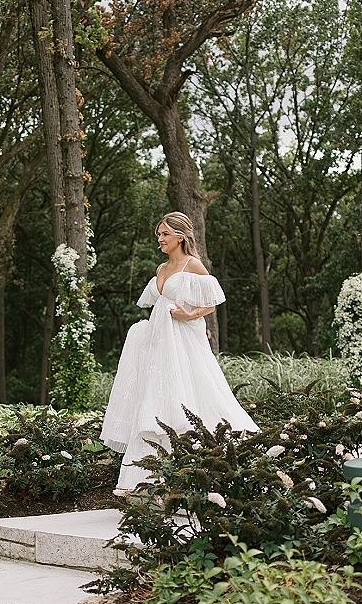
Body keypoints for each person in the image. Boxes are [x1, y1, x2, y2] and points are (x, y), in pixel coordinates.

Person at [100, 212, 259, 496]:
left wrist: (190, 314)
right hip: (158, 344)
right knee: (154, 400)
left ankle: (200, 467)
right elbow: (157, 305)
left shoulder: (193, 265)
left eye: (164, 234)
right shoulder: (161, 269)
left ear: (180, 236)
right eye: (158, 234)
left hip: (182, 342)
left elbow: (211, 303)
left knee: (189, 395)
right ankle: (148, 477)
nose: (160, 239)